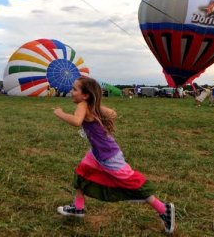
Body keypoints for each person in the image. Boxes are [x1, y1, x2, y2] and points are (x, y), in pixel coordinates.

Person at [53, 76, 175, 234]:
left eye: (74, 89)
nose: (71, 92)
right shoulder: (90, 104)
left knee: (133, 183)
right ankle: (78, 207)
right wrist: (96, 106)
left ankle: (163, 209)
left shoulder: (83, 104)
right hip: (97, 154)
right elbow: (112, 113)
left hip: (109, 156)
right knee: (82, 172)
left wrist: (60, 113)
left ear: (85, 95)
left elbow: (76, 121)